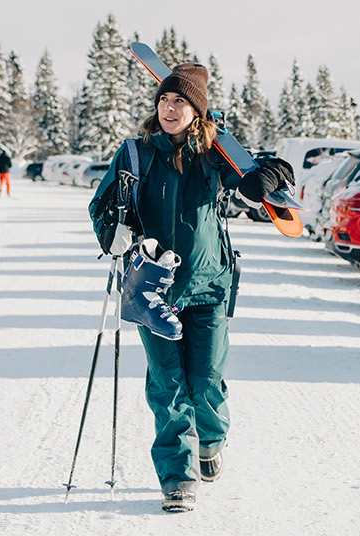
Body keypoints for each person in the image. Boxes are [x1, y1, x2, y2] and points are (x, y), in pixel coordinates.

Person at [88, 62, 292, 513]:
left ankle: (212, 439)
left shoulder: (216, 153)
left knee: (206, 382)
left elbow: (277, 170)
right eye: (163, 99)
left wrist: (267, 180)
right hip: (151, 288)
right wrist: (113, 234)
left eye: (179, 100)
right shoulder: (135, 153)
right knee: (168, 386)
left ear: (196, 111)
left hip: (209, 286)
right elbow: (101, 204)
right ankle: (177, 478)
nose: (169, 107)